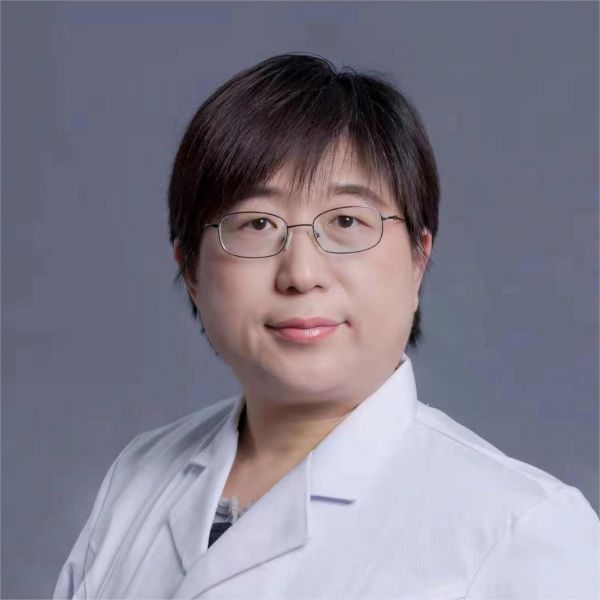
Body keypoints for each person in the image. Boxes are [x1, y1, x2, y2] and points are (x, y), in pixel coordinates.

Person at [53, 53, 599, 599]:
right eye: (258, 223)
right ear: (191, 269)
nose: (301, 273)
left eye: (345, 221)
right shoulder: (139, 477)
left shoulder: (522, 530)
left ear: (418, 258)